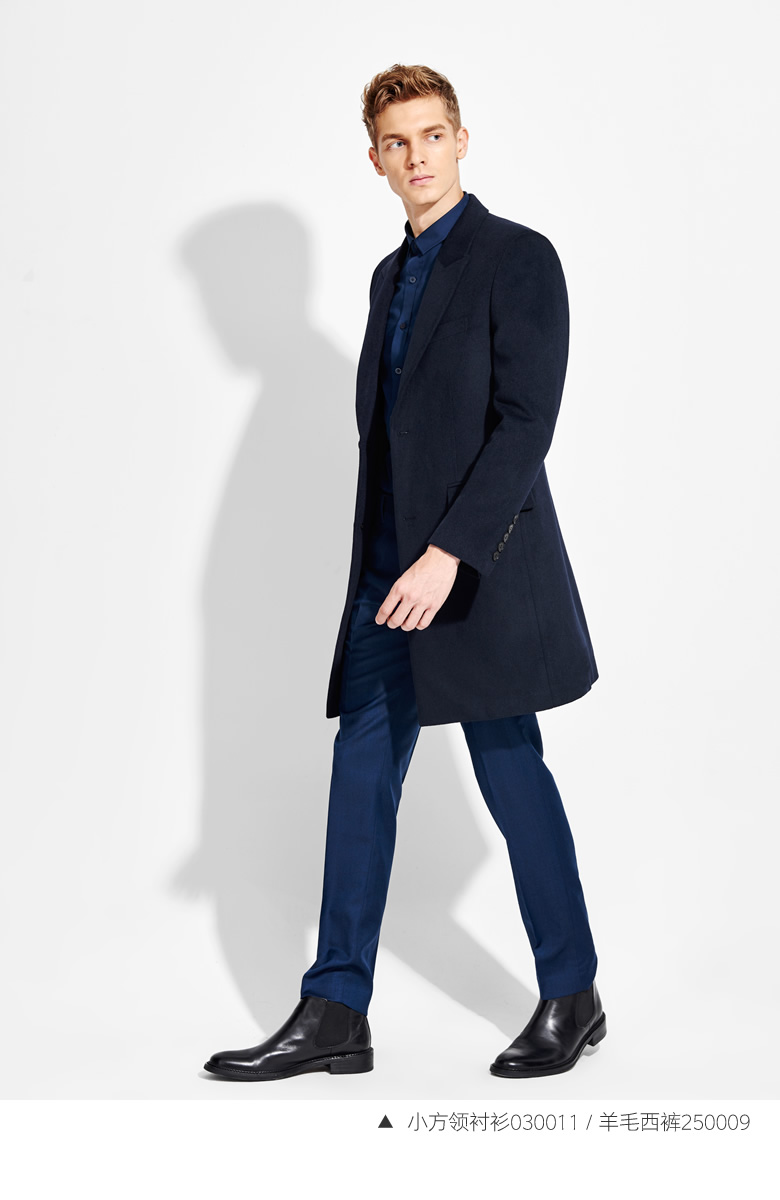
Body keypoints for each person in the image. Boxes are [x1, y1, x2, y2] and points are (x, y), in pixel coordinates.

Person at [204, 63, 606, 1083]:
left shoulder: (518, 258)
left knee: (512, 775)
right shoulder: (390, 278)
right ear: (376, 160)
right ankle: (336, 1008)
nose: (417, 156)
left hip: (476, 574)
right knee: (359, 779)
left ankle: (572, 993)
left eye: (432, 135)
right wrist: (393, 566)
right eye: (398, 142)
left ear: (461, 140)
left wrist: (448, 553)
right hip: (388, 583)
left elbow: (526, 424)